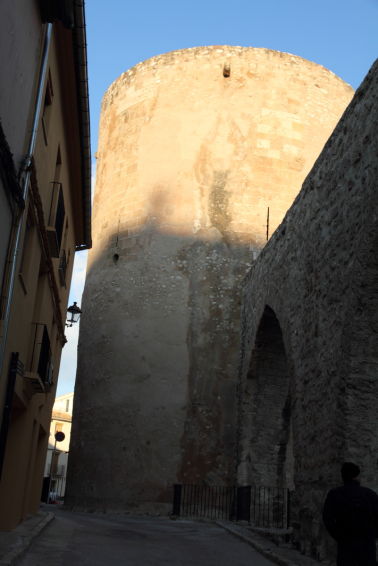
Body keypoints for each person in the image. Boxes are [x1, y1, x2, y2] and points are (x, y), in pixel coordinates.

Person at [323, 462, 378, 566]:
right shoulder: (370, 494)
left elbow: (327, 519)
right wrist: (372, 535)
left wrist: (339, 535)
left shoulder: (335, 494)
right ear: (357, 476)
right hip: (367, 546)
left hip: (346, 545)